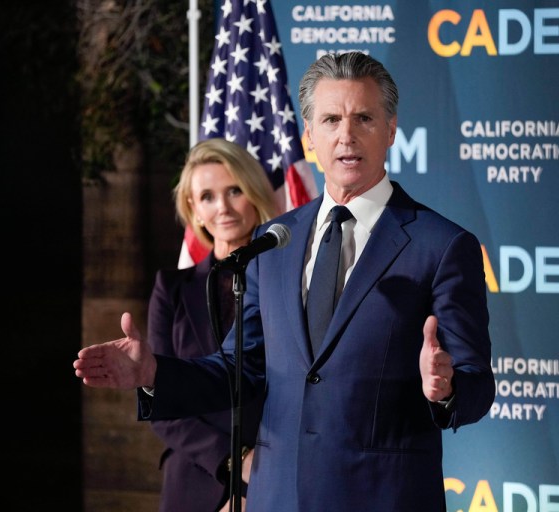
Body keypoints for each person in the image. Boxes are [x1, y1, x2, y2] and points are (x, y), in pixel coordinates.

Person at [74, 51, 495, 512]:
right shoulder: (274, 242)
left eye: (364, 118)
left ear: (391, 129)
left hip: (383, 498)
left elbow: (476, 383)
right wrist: (154, 372)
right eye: (331, 120)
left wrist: (447, 389)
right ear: (309, 135)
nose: (347, 135)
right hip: (277, 496)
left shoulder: (442, 245)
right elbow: (239, 368)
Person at [146, 138, 280, 512]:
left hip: (274, 482)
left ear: (254, 192)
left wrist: (257, 483)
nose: (223, 207)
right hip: (193, 484)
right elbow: (159, 403)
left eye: (234, 190)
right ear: (194, 208)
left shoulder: (290, 285)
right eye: (207, 196)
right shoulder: (170, 289)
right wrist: (235, 460)